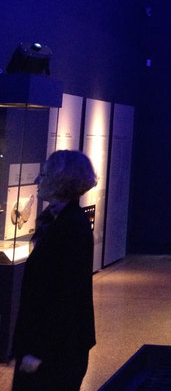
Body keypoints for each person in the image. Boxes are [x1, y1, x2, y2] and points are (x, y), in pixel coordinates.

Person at [11, 150, 98, 391]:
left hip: (55, 350)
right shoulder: (56, 220)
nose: (38, 180)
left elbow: (68, 295)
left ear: (62, 181)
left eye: (44, 175)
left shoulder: (72, 226)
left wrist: (39, 351)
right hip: (49, 344)